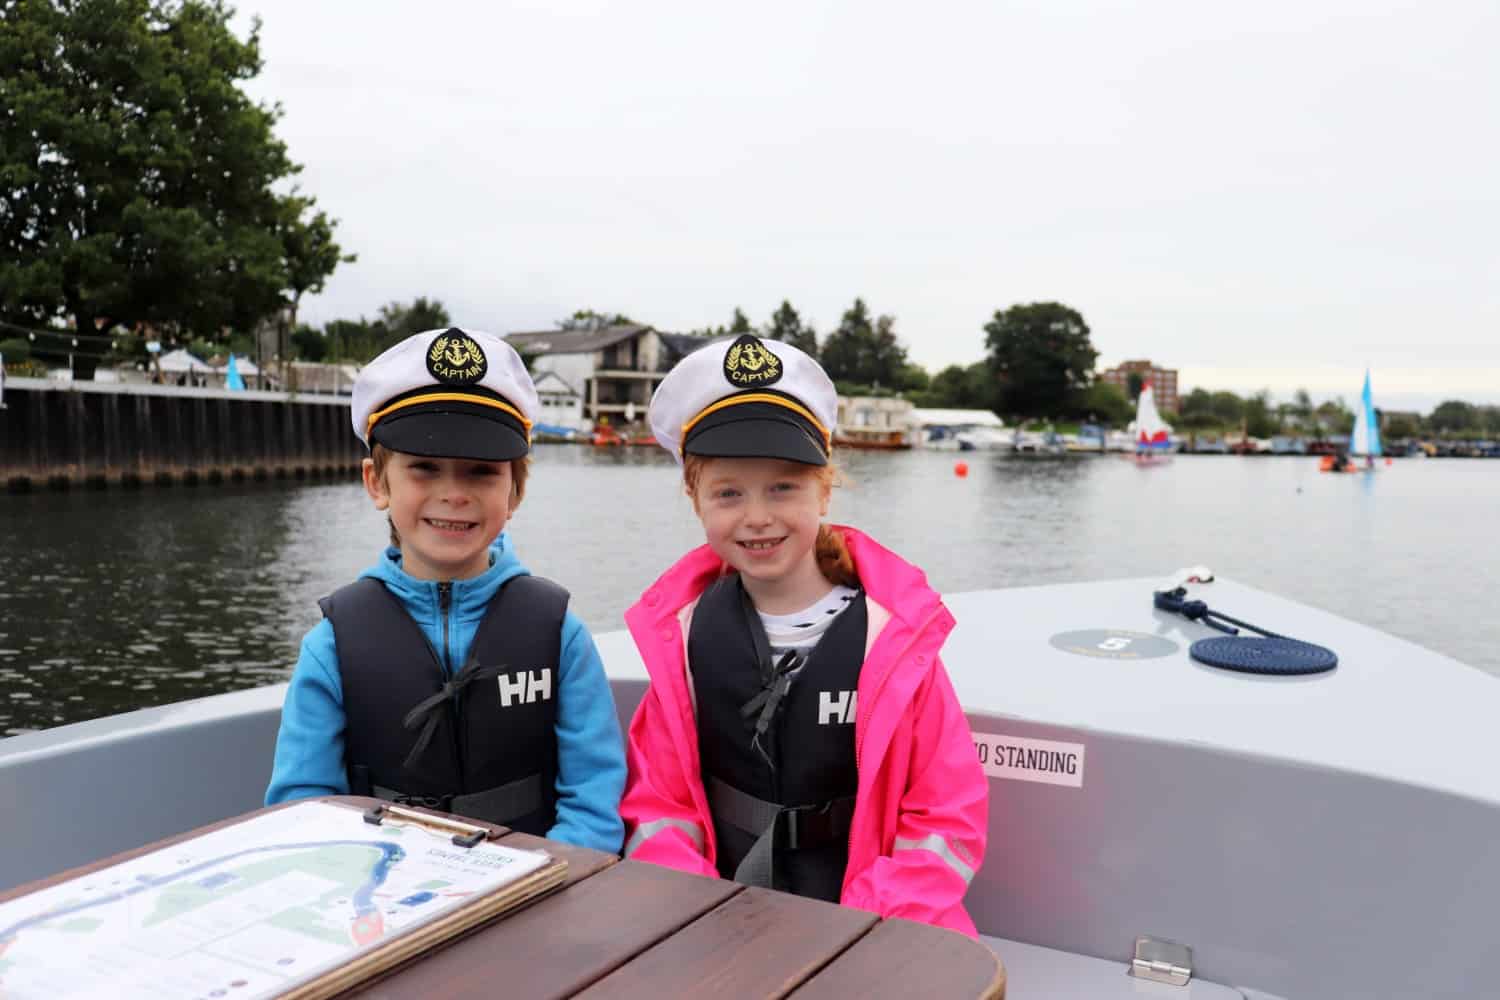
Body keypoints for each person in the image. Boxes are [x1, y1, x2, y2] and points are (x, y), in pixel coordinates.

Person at [619, 334, 988, 936]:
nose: (757, 516)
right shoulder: (681, 642)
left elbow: (945, 816)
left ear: (825, 487)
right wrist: (698, 910)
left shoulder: (891, 643)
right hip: (716, 912)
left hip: (882, 918)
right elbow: (660, 809)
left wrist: (862, 927)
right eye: (728, 493)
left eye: (783, 487)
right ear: (695, 499)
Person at [266, 327, 625, 853]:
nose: (453, 494)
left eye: (480, 472)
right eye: (424, 468)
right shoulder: (332, 646)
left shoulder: (559, 635)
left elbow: (593, 801)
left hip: (537, 890)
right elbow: (304, 804)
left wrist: (549, 881)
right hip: (380, 889)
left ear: (516, 490)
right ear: (377, 483)